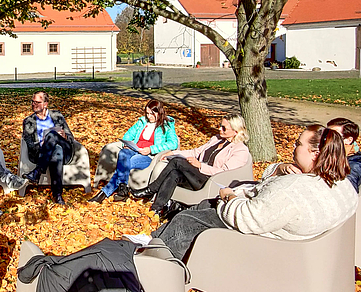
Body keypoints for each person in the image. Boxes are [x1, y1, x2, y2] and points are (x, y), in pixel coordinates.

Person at [152, 125, 358, 260]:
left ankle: (158, 264)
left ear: (315, 153)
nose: (293, 148)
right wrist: (279, 169)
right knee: (198, 207)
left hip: (263, 246)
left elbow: (248, 218)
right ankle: (152, 243)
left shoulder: (293, 188)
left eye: (298, 144)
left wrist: (228, 197)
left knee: (187, 219)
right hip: (293, 240)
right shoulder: (341, 184)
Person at [131, 113, 250, 218]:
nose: (220, 129)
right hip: (197, 176)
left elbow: (224, 173)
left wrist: (200, 166)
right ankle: (156, 209)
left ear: (235, 131)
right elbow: (195, 152)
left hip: (211, 181)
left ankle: (151, 189)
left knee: (177, 162)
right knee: (174, 173)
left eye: (224, 128)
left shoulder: (240, 150)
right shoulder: (216, 139)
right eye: (220, 125)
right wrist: (172, 152)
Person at [89, 99, 179, 203]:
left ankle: (104, 193)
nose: (149, 116)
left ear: (159, 113)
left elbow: (173, 143)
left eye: (152, 114)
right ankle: (122, 188)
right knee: (123, 153)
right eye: (147, 113)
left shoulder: (167, 125)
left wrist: (151, 149)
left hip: (148, 156)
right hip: (135, 150)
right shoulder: (142, 122)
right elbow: (128, 134)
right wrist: (126, 144)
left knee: (125, 165)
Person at [21, 91, 77, 205]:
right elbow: (30, 145)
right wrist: (43, 144)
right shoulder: (28, 121)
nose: (34, 104)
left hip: (65, 148)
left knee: (52, 135)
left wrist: (64, 135)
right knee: (56, 152)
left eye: (37, 102)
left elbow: (71, 138)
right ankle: (58, 195)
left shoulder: (57, 116)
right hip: (43, 153)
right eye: (32, 102)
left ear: (45, 104)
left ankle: (37, 172)